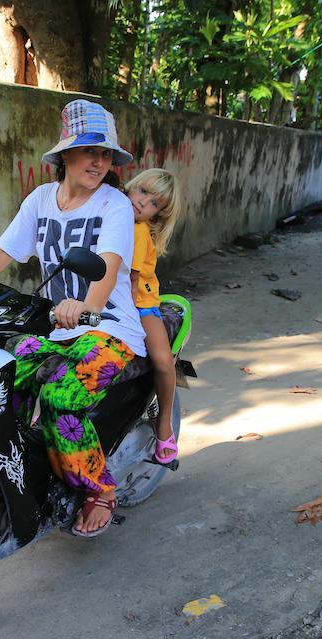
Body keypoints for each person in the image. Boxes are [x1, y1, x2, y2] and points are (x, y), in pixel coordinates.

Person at [0, 99, 146, 537]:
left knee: (62, 398)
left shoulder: (113, 204)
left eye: (105, 154)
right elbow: (3, 251)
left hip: (110, 328)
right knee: (0, 382)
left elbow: (110, 263)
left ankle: (100, 489)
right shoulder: (42, 199)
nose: (98, 162)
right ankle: (26, 475)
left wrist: (88, 307)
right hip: (54, 325)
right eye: (88, 151)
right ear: (65, 155)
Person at [124, 168, 180, 464]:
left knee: (162, 360)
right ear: (132, 187)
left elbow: (133, 284)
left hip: (141, 304)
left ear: (158, 214)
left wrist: (128, 316)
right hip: (108, 301)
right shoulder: (112, 217)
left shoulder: (138, 230)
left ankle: (164, 424)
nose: (144, 202)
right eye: (143, 191)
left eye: (154, 203)